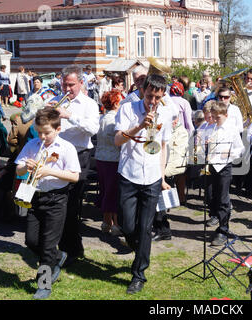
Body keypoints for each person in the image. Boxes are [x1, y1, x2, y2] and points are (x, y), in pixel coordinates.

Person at [114, 74, 173, 294]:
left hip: (152, 176)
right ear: (143, 91)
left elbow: (164, 145)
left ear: (162, 95)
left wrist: (163, 175)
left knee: (146, 227)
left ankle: (139, 274)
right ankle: (140, 251)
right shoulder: (128, 108)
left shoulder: (166, 113)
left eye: (157, 97)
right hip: (129, 173)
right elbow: (117, 140)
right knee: (128, 226)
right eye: (149, 96)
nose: (153, 101)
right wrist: (139, 126)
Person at [15, 108, 81, 299]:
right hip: (35, 196)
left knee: (47, 245)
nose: (42, 136)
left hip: (57, 199)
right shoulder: (32, 145)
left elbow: (74, 176)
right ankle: (58, 256)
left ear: (58, 129)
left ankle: (43, 284)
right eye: (39, 132)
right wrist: (24, 167)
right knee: (31, 240)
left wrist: (50, 172)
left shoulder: (67, 148)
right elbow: (18, 170)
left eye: (47, 132)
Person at [52, 65, 100, 267]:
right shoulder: (58, 101)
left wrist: (68, 115)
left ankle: (68, 249)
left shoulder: (89, 104)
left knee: (71, 204)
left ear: (82, 83)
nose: (67, 89)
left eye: (71, 84)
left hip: (80, 155)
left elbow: (92, 129)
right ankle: (72, 246)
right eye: (64, 84)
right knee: (60, 201)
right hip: (58, 155)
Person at [201, 102, 244, 246]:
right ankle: (215, 217)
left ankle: (223, 229)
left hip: (224, 166)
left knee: (223, 198)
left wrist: (230, 153)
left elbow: (240, 149)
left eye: (217, 117)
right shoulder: (211, 127)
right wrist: (206, 144)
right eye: (212, 117)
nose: (214, 119)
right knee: (211, 195)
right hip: (211, 165)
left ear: (226, 115)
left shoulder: (231, 129)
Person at [153, 113, 189, 241]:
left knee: (159, 202)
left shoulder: (181, 132)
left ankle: (163, 230)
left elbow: (176, 156)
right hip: (156, 167)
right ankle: (158, 228)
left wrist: (162, 175)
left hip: (166, 169)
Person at [95, 89, 122, 236]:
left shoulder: (102, 118)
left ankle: (106, 222)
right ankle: (116, 224)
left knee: (106, 190)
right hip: (113, 159)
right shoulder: (115, 120)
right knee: (113, 192)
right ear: (116, 102)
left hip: (101, 158)